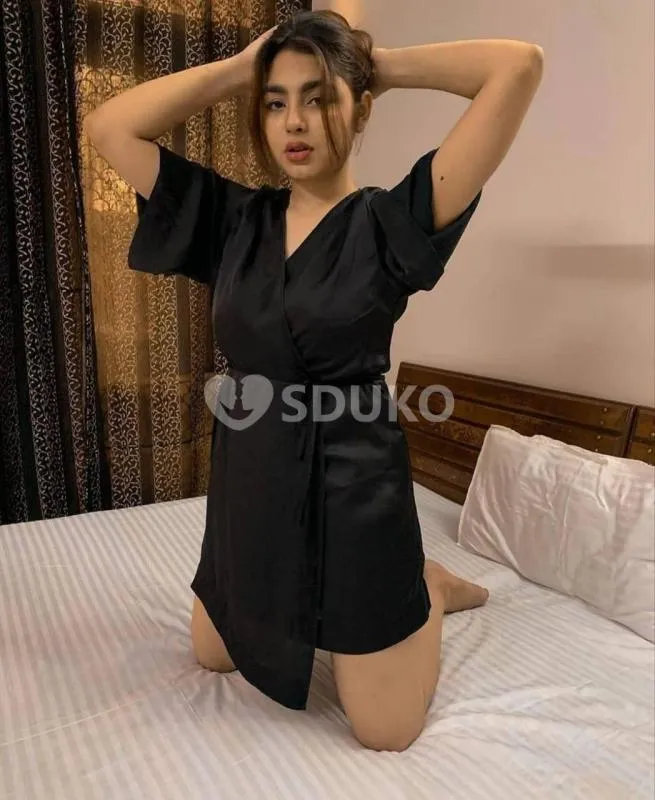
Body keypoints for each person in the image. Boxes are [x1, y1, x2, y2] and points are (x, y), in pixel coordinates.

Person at [85, 10, 543, 752]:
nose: (294, 121)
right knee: (211, 655)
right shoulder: (233, 221)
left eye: (318, 99)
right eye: (276, 103)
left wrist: (367, 67)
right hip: (251, 480)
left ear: (360, 110)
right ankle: (404, 581)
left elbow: (516, 66)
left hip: (355, 487)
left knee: (385, 732)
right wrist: (242, 69)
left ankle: (423, 586)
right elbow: (109, 127)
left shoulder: (393, 221)